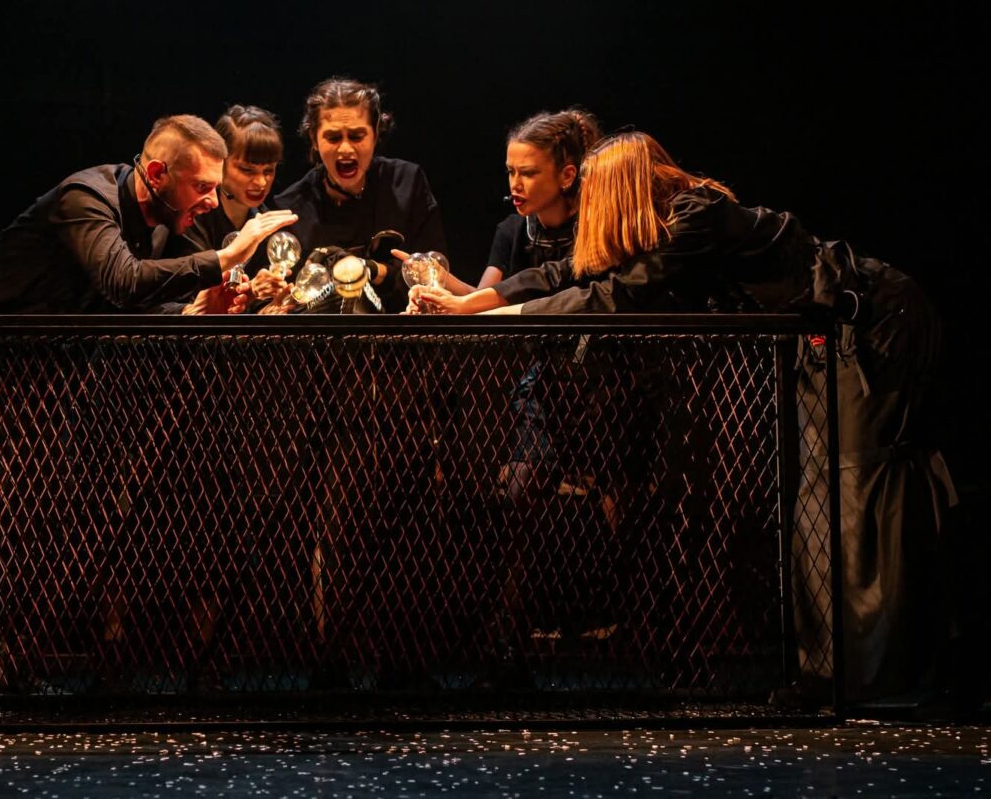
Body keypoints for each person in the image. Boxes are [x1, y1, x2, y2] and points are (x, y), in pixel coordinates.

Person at [409, 130, 957, 709]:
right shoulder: (657, 225)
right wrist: (475, 303)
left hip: (869, 322)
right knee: (822, 495)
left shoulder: (696, 216)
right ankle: (846, 669)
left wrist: (494, 316)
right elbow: (567, 273)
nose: (587, 204)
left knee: (854, 485)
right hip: (825, 338)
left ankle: (873, 673)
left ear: (619, 187)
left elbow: (610, 296)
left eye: (595, 189)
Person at [0, 115, 296, 314]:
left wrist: (191, 312)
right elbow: (122, 282)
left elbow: (126, 305)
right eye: (202, 187)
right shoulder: (84, 198)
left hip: (40, 358)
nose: (213, 202)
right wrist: (226, 257)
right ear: (157, 174)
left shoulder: (161, 221)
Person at [271, 77, 445, 313]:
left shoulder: (408, 183)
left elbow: (434, 274)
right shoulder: (291, 208)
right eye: (333, 138)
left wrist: (369, 269)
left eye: (356, 136)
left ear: (375, 133)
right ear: (314, 139)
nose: (345, 149)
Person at [417, 108, 601, 296]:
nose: (515, 184)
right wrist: (441, 278)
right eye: (511, 172)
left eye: (528, 173)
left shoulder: (598, 230)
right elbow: (481, 299)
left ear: (567, 175)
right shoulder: (512, 230)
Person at [187, 104, 292, 307]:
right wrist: (249, 290)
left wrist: (267, 310)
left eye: (269, 170)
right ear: (220, 161)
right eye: (247, 170)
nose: (261, 182)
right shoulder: (191, 216)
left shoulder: (267, 226)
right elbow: (188, 294)